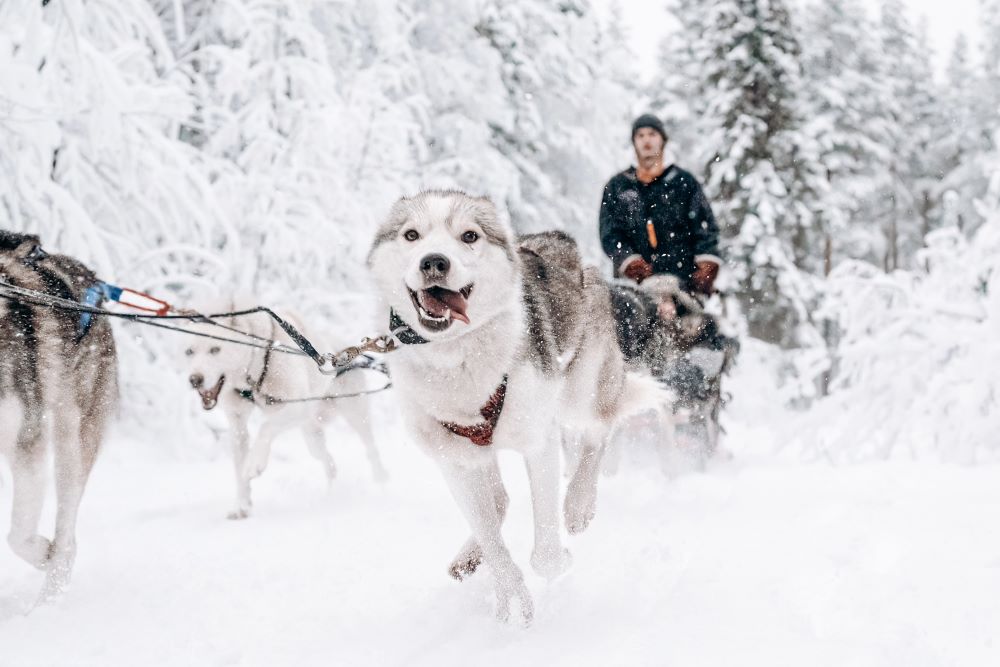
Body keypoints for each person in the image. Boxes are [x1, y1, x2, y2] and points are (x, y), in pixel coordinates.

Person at [599, 113, 722, 296]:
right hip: (633, 291)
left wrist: (705, 266)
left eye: (652, 134)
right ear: (634, 143)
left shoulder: (683, 182)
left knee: (701, 324)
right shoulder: (618, 186)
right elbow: (610, 233)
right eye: (640, 136)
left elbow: (705, 227)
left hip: (683, 286)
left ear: (663, 140)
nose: (646, 140)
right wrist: (629, 261)